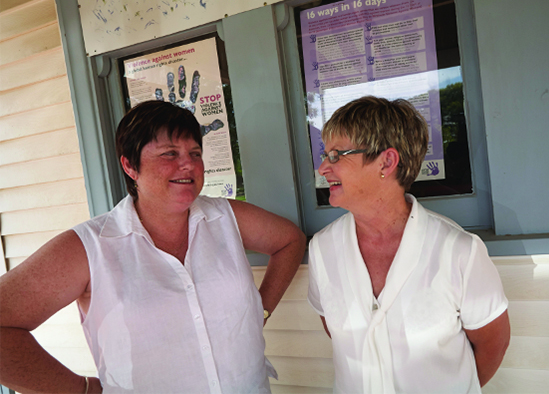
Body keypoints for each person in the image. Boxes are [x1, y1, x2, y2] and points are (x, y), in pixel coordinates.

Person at [0, 101, 306, 394]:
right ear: (130, 166)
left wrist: (259, 311)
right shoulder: (92, 246)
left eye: (195, 152)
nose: (188, 164)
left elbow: (290, 240)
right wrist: (78, 390)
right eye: (169, 153)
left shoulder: (225, 217)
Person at [307, 96, 509, 393]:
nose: (324, 167)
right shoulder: (322, 249)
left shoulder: (458, 251)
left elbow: (493, 343)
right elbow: (337, 332)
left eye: (337, 155)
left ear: (386, 162)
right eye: (325, 155)